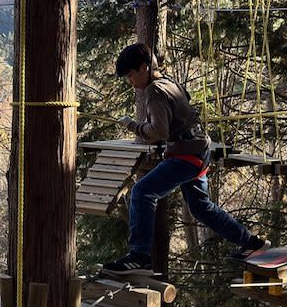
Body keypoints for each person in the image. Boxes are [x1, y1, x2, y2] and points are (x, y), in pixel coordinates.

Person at [102, 43, 269, 276]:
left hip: (187, 154)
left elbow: (158, 131)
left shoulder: (154, 91)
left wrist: (132, 125)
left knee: (142, 192)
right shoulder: (169, 81)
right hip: (199, 150)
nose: (131, 81)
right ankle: (252, 243)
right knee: (202, 208)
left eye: (131, 75)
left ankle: (139, 256)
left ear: (144, 68)